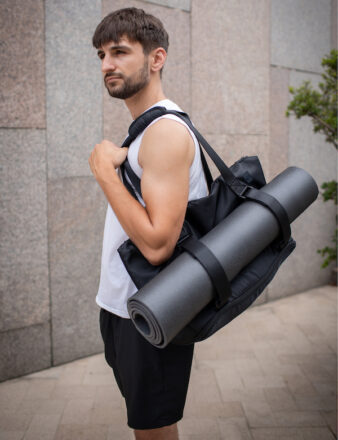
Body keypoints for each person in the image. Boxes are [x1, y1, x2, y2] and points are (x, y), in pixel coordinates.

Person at [89, 7, 208, 440]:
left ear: (156, 58)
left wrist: (104, 173)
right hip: (126, 307)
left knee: (154, 430)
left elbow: (158, 244)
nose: (106, 65)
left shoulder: (165, 133)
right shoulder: (143, 130)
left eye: (119, 51)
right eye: (101, 54)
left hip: (154, 310)